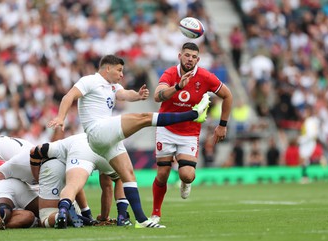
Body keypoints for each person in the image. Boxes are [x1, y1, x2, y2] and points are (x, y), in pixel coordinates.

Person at [47, 54, 211, 229]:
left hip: (104, 140)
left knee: (128, 176)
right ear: (107, 68)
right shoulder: (89, 81)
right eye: (119, 70)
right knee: (143, 118)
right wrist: (61, 117)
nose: (122, 74)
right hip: (97, 130)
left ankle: (141, 220)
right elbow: (68, 96)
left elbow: (125, 94)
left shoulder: (112, 86)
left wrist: (138, 95)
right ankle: (194, 114)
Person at [150, 42, 233, 224]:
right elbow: (157, 96)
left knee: (186, 174)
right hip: (166, 128)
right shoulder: (170, 73)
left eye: (194, 57)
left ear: (198, 59)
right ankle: (156, 214)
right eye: (187, 55)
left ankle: (186, 183)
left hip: (189, 132)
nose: (190, 59)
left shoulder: (205, 77)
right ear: (180, 56)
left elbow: (228, 95)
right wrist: (178, 87)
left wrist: (222, 125)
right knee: (162, 174)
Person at [30, 133, 132, 228]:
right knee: (119, 179)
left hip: (76, 153)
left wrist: (37, 178)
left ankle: (63, 212)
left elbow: (35, 151)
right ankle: (122, 217)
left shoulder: (64, 143)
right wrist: (103, 217)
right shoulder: (106, 137)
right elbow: (107, 187)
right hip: (106, 149)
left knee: (72, 186)